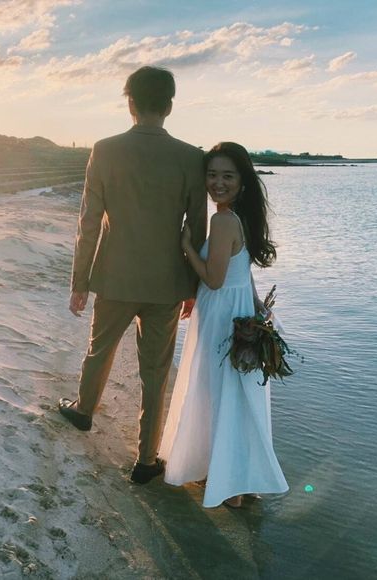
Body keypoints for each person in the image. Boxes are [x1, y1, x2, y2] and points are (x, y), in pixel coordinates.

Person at [58, 66, 207, 484]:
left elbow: (88, 222)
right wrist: (193, 285)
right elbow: (196, 229)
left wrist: (79, 282)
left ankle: (84, 411)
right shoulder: (191, 157)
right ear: (170, 106)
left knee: (99, 349)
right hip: (167, 282)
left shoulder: (105, 150)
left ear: (130, 103)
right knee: (156, 372)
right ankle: (146, 459)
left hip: (114, 277)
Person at [159, 142, 289, 507]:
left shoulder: (222, 220)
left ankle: (227, 484)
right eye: (212, 175)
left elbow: (214, 280)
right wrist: (256, 302)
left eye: (227, 176)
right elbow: (240, 271)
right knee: (235, 396)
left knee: (215, 393)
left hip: (220, 314)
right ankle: (236, 478)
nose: (218, 183)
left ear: (242, 180)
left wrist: (186, 246)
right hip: (237, 308)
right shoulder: (241, 217)